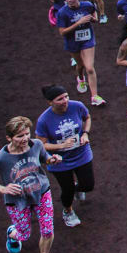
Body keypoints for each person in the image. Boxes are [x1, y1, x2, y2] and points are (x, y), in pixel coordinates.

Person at [0, 115, 62, 253]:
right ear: (9, 138)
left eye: (26, 134)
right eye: (20, 136)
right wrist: (4, 188)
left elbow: (45, 159)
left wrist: (53, 160)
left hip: (41, 192)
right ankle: (12, 233)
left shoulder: (36, 144)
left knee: (47, 229)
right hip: (18, 201)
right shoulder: (1, 158)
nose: (25, 139)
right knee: (24, 234)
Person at [35, 85, 94, 228]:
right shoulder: (44, 120)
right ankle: (68, 211)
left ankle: (77, 189)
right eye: (60, 99)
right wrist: (61, 146)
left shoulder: (77, 106)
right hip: (59, 161)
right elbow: (40, 144)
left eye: (66, 96)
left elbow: (87, 117)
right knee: (67, 190)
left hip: (82, 153)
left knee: (88, 185)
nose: (65, 100)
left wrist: (85, 133)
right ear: (50, 102)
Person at [54, 0, 105, 106]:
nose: (69, 0)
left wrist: (94, 19)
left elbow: (94, 13)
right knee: (80, 65)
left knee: (90, 68)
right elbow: (62, 32)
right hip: (72, 42)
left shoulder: (87, 5)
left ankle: (94, 97)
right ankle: (81, 78)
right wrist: (78, 23)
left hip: (87, 40)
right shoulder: (62, 12)